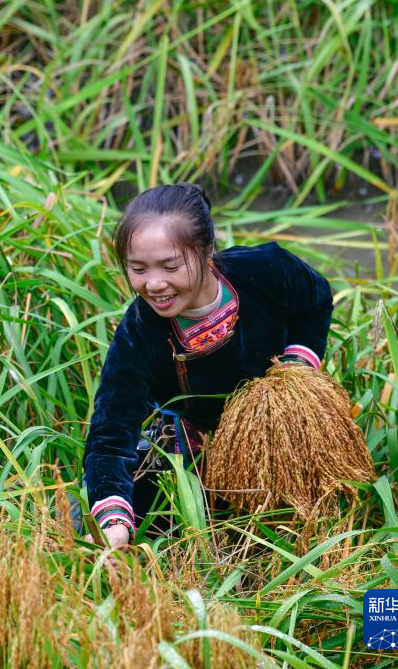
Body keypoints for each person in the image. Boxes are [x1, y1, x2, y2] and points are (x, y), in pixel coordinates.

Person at [84, 183, 332, 550]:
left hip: (280, 427)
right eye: (138, 269)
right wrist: (114, 523)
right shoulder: (139, 333)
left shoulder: (266, 270)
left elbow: (316, 299)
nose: (154, 284)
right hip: (192, 446)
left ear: (207, 250)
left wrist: (296, 369)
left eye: (171, 266)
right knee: (144, 510)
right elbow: (111, 433)